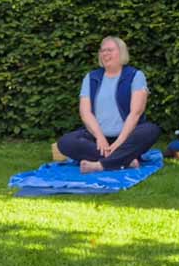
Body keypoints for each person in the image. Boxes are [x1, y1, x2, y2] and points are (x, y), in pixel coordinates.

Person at [56, 36, 161, 173]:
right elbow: (85, 113)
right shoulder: (91, 77)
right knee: (65, 142)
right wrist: (100, 137)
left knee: (151, 130)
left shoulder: (135, 75)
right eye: (102, 50)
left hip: (126, 137)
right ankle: (124, 160)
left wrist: (119, 142)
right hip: (98, 140)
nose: (105, 54)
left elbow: (135, 113)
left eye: (110, 50)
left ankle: (100, 165)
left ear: (121, 52)